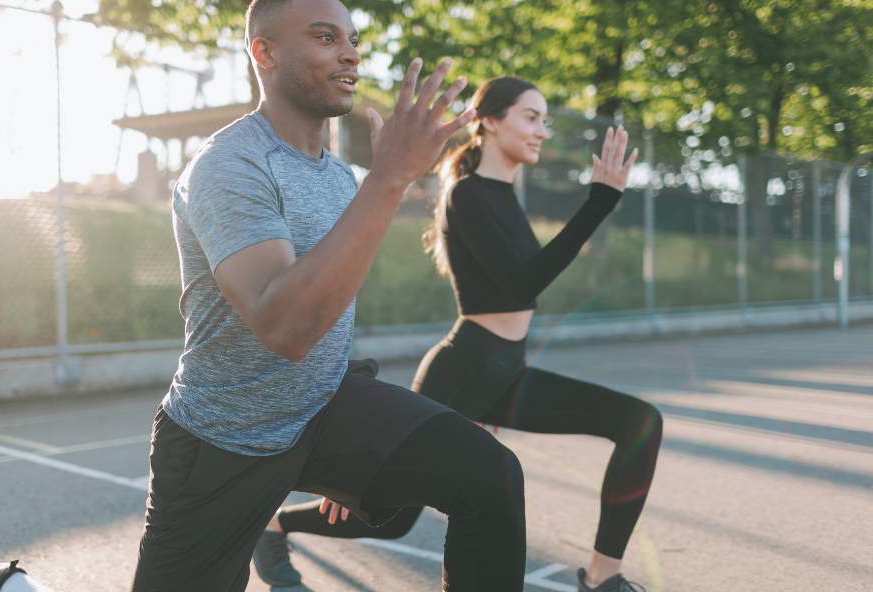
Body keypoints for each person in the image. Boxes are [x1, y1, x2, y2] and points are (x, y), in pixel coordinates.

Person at [0, 1, 540, 591]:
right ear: (264, 53)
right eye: (325, 37)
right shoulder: (229, 167)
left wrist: (361, 455)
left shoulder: (334, 174)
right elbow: (286, 326)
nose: (350, 52)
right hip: (225, 440)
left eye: (352, 38)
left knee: (489, 476)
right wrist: (389, 179)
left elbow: (329, 303)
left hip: (322, 411)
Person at [256, 77, 662, 592]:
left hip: (506, 371)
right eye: (531, 117)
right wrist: (598, 203)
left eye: (544, 119)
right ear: (490, 120)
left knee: (638, 423)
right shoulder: (466, 195)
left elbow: (522, 284)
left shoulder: (504, 195)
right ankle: (274, 523)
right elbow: (521, 283)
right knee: (392, 513)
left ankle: (603, 576)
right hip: (465, 368)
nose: (542, 130)